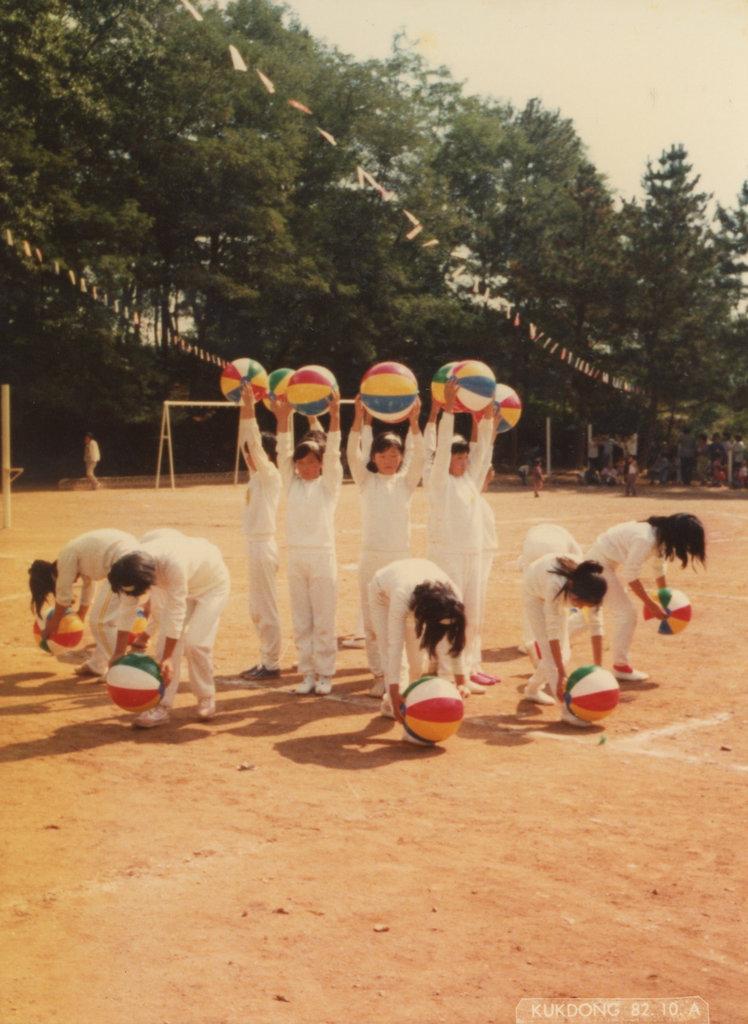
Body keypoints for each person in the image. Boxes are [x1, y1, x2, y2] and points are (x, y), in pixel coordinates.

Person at [108, 528, 231, 728]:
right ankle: (162, 706)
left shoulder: (173, 565)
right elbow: (127, 609)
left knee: (196, 643)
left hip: (212, 587)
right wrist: (118, 652)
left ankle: (206, 696)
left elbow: (176, 611)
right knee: (164, 642)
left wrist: (167, 658)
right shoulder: (128, 568)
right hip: (185, 585)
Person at [347, 395, 424, 697]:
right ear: (374, 457)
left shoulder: (406, 482)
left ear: (401, 457)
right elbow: (352, 453)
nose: (389, 460)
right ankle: (379, 675)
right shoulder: (366, 481)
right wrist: (358, 419)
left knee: (402, 619)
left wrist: (414, 423)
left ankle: (402, 673)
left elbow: (419, 457)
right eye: (383, 454)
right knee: (372, 620)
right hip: (371, 558)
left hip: (400, 560)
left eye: (394, 454)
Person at [426, 379, 493, 694]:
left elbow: (483, 453)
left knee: (470, 615)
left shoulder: (470, 480)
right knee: (448, 613)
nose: (464, 463)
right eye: (458, 458)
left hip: (472, 554)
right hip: (447, 554)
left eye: (465, 458)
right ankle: (443, 672)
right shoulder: (438, 482)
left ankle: (462, 670)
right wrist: (449, 409)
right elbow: (439, 452)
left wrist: (484, 417)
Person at [275, 391, 342, 696]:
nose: (305, 467)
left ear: (320, 464)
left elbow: (334, 453)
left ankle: (325, 673)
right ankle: (307, 673)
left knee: (324, 619)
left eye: (311, 462)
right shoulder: (291, 485)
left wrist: (335, 415)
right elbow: (282, 452)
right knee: (301, 620)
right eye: (300, 462)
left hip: (322, 557)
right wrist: (283, 418)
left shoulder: (328, 487)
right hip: (296, 558)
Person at [585, 513, 706, 682]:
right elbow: (630, 574)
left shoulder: (659, 535)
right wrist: (651, 604)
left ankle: (548, 643)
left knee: (587, 616)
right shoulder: (645, 539)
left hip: (606, 563)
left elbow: (658, 567)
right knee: (626, 614)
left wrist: (664, 598)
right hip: (597, 566)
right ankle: (620, 667)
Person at [368, 558, 468, 732]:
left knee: (417, 664)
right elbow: (394, 647)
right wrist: (393, 694)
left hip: (417, 590)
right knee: (390, 648)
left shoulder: (455, 601)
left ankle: (406, 700)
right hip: (382, 594)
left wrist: (461, 681)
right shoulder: (402, 597)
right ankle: (390, 702)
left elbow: (455, 638)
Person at [28, 529, 139, 678]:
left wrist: (53, 624)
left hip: (125, 564)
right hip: (132, 558)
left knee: (100, 622)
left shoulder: (65, 559)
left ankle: (122, 669)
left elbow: (63, 596)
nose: (74, 582)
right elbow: (89, 586)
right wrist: (80, 614)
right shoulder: (79, 558)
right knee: (108, 621)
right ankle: (98, 665)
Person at [521, 554, 606, 726]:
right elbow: (552, 634)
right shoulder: (555, 586)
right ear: (573, 589)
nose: (581, 607)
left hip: (554, 586)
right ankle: (568, 711)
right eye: (580, 603)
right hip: (534, 592)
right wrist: (561, 673)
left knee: (564, 655)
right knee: (553, 657)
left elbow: (596, 627)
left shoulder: (593, 588)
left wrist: (599, 668)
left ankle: (532, 689)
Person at [237, 382, 282, 681]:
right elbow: (248, 442)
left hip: (264, 545)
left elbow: (253, 443)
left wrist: (251, 410)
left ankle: (272, 663)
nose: (248, 456)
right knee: (256, 607)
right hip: (254, 545)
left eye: (252, 453)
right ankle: (265, 658)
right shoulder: (256, 478)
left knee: (266, 607)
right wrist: (245, 410)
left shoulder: (270, 476)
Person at [517, 522, 585, 657]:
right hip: (553, 549)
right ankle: (553, 642)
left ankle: (530, 641)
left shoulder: (536, 536)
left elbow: (522, 564)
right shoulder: (574, 553)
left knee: (532, 596)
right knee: (561, 607)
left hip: (531, 547)